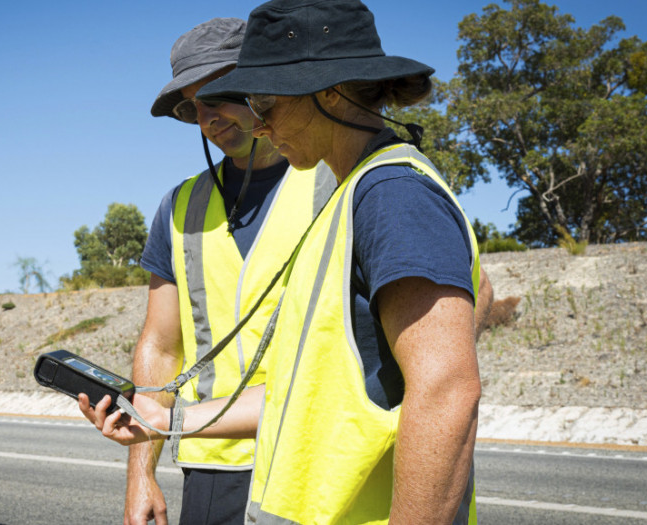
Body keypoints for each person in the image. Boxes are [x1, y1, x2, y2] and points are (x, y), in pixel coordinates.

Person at [84, 5, 494, 524]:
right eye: (195, 109)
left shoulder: (388, 193)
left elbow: (445, 389)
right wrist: (165, 420)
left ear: (327, 91)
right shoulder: (349, 195)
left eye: (262, 100)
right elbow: (307, 387)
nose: (253, 119)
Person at [125, 17, 336, 525]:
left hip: (319, 456)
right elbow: (160, 345)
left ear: (265, 84)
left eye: (218, 96)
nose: (207, 119)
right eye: (193, 108)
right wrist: (140, 475)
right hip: (212, 461)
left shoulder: (338, 178)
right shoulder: (180, 206)